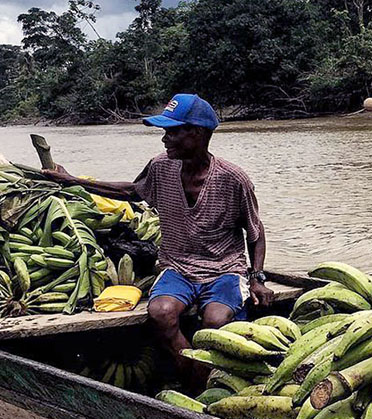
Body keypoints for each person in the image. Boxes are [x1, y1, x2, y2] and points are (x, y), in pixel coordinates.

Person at [43, 93, 275, 388]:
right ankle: (197, 382)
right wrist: (75, 181)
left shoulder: (234, 179)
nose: (165, 139)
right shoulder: (160, 167)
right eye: (165, 131)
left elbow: (255, 231)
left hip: (224, 269)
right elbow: (131, 191)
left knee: (216, 322)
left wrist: (257, 279)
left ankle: (194, 385)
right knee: (160, 314)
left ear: (198, 133)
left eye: (173, 131)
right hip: (177, 266)